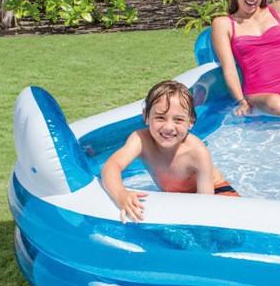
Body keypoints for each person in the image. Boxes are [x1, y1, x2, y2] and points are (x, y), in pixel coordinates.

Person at [102, 81, 239, 223]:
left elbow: (206, 204)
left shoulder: (197, 152)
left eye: (178, 120)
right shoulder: (140, 140)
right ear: (146, 116)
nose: (168, 127)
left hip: (218, 193)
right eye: (160, 117)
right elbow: (112, 165)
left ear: (191, 122)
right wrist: (121, 194)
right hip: (179, 197)